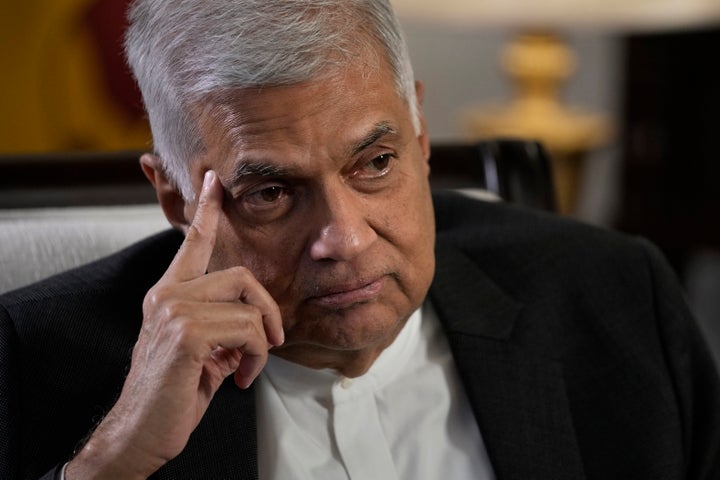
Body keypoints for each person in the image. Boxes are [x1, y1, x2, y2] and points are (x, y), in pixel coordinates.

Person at [1, 0, 719, 478]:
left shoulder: (616, 298)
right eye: (272, 193)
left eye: (375, 163)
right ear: (175, 197)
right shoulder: (33, 362)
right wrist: (111, 462)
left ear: (421, 133)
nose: (342, 239)